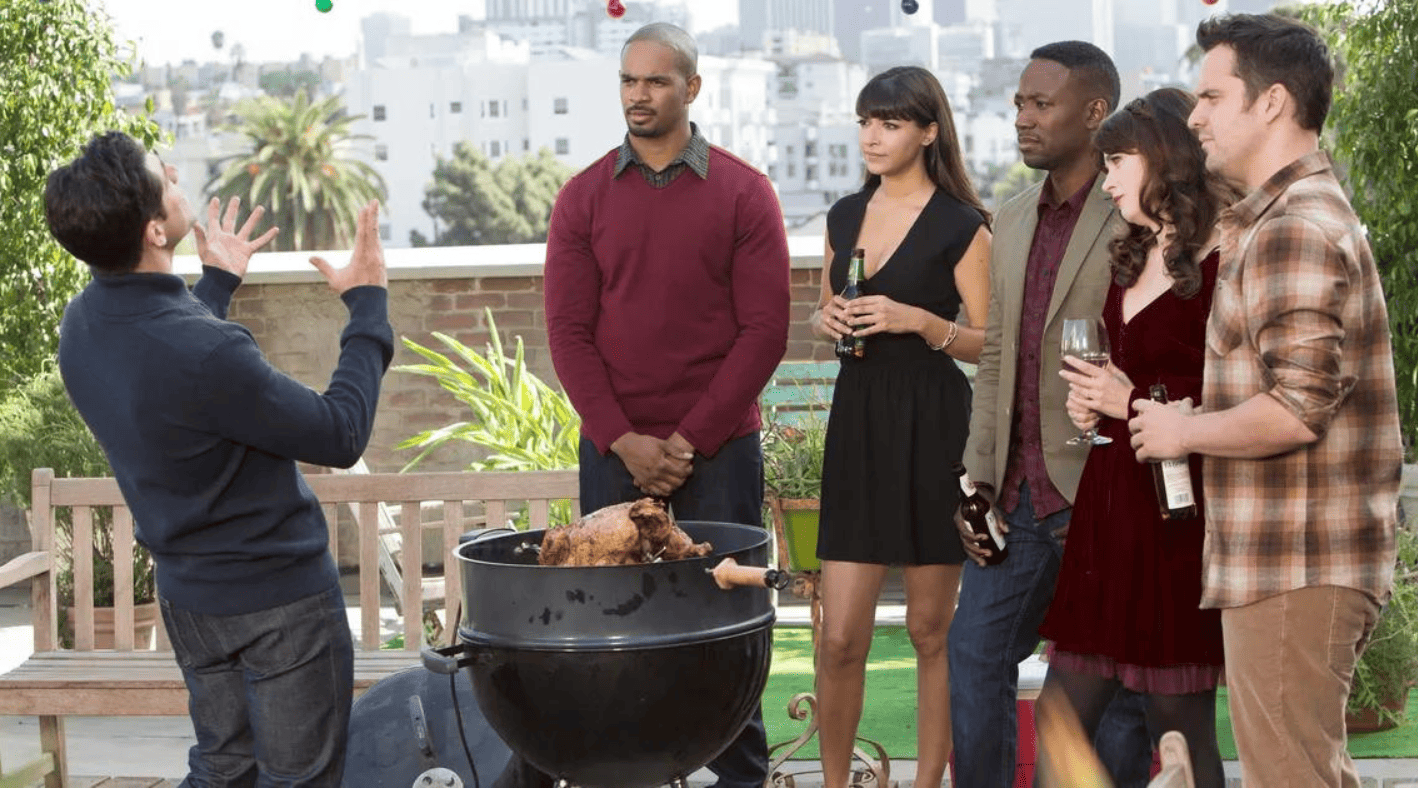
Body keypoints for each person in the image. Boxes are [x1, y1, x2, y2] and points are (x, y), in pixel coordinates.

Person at [45, 131, 391, 785]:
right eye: (164, 178)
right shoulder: (209, 353)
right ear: (154, 229)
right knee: (300, 778)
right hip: (278, 606)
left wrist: (218, 282)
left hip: (190, 601)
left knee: (223, 769)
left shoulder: (81, 326)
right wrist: (367, 302)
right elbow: (341, 433)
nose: (176, 174)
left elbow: (167, 375)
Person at [1129, 13, 1403, 787]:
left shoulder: (1294, 228)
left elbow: (1295, 410)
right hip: (1288, 559)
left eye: (1213, 96)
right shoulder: (1280, 218)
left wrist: (1183, 431)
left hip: (1297, 561)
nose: (1194, 116)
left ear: (1273, 102)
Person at [542, 22, 790, 788]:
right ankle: (621, 773)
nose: (638, 95)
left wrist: (686, 441)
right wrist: (624, 441)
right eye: (627, 81)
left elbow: (765, 332)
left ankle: (741, 777)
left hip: (718, 450)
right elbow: (567, 332)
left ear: (692, 87)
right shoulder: (582, 198)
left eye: (654, 81)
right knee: (611, 621)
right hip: (614, 453)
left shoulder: (746, 192)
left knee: (727, 619)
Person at [946, 41, 1155, 788]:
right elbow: (998, 356)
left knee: (1122, 689)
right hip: (1016, 497)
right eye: (1018, 105)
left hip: (1102, 489)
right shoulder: (1007, 218)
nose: (1022, 119)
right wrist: (975, 476)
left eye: (1041, 104)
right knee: (973, 658)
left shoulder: (1138, 212)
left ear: (1095, 113)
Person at [1037, 87, 1229, 788]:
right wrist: (1097, 408)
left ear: (1164, 159)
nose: (1108, 178)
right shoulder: (1133, 253)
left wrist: (1125, 399)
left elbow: (1236, 398)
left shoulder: (1228, 256)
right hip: (1109, 509)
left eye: (1118, 160)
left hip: (1177, 514)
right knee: (1058, 715)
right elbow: (1125, 379)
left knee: (1181, 729)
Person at [807, 65, 990, 788]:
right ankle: (834, 783)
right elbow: (826, 310)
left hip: (934, 424)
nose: (871, 136)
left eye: (888, 123)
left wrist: (920, 321)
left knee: (927, 630)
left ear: (928, 132)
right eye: (864, 122)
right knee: (841, 635)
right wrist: (827, 320)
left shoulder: (960, 224)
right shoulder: (843, 216)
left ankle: (927, 784)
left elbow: (991, 339)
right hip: (858, 422)